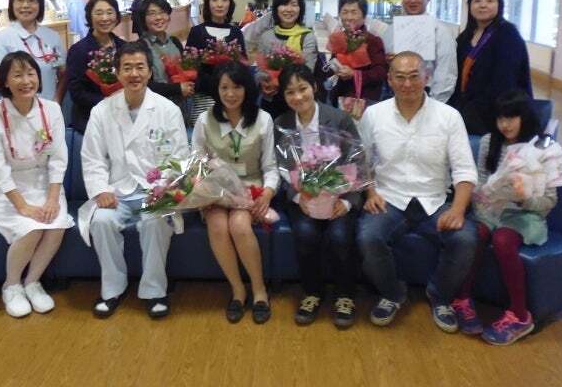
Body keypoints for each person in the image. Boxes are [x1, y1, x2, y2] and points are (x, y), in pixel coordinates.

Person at [357, 51, 478, 332]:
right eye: (399, 77)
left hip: (435, 199)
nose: (407, 84)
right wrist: (370, 193)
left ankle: (440, 296)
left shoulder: (449, 116)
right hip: (389, 198)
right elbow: (362, 162)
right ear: (389, 80)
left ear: (427, 77)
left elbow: (464, 170)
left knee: (466, 239)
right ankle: (392, 293)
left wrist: (458, 209)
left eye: (414, 76)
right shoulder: (373, 115)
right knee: (368, 237)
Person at [81, 41, 189, 319]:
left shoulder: (167, 110)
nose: (134, 74)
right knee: (102, 221)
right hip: (116, 190)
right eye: (127, 68)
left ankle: (155, 291)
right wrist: (101, 190)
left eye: (140, 67)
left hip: (155, 189)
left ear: (150, 72)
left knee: (155, 221)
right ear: (117, 73)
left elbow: (179, 157)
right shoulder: (102, 111)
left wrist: (164, 187)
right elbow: (92, 157)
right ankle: (112, 289)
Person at [0, 51, 74, 318]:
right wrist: (22, 206)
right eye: (17, 75)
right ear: (5, 81)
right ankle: (11, 285)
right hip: (8, 189)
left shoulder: (51, 110)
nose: (26, 81)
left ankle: (32, 282)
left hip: (45, 182)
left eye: (31, 73)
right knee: (31, 228)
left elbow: (58, 157)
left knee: (56, 225)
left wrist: (52, 199)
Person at [452, 90, 548, 345]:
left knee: (503, 239)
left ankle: (520, 315)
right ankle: (462, 299)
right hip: (489, 211)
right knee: (475, 234)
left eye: (511, 117)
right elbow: (479, 182)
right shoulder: (489, 141)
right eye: (500, 118)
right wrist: (486, 202)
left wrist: (523, 198)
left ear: (525, 117)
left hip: (524, 214)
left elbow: (548, 202)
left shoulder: (542, 148)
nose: (505, 125)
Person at [273, 64, 362, 329]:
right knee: (305, 233)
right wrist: (297, 197)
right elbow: (281, 167)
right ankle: (312, 292)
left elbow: (357, 159)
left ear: (314, 87)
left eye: (302, 88)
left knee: (340, 235)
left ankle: (345, 295)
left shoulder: (339, 119)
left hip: (340, 196)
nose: (297, 97)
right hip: (303, 197)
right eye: (290, 92)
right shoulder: (281, 124)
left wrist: (347, 202)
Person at [192, 62, 277, 324]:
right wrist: (198, 187)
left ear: (247, 89)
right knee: (218, 225)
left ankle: (259, 290)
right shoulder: (205, 120)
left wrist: (267, 193)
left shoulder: (263, 119)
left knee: (239, 225)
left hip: (250, 190)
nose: (230, 94)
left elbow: (270, 167)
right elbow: (196, 163)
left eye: (237, 87)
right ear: (216, 90)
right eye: (224, 87)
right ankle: (238, 290)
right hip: (216, 191)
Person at [449, 0, 533, 135]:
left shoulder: (507, 34)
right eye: (477, 1)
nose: (483, 5)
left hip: (498, 113)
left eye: (489, 0)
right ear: (470, 6)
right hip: (467, 108)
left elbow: (505, 82)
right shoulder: (465, 37)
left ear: (499, 5)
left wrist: (471, 111)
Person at [384, 0, 457, 103]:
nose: (413, 0)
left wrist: (434, 104)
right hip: (395, 96)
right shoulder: (391, 30)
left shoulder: (440, 31)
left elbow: (446, 73)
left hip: (428, 95)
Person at [0, 0, 65, 102]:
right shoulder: (2, 37)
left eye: (31, 0)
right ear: (12, 5)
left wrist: (57, 99)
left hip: (49, 106)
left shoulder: (53, 36)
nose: (25, 5)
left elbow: (63, 75)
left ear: (40, 5)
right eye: (20, 0)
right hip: (17, 107)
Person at [186, 0, 247, 124]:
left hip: (231, 97)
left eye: (224, 0)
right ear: (208, 4)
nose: (219, 4)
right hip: (204, 97)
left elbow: (242, 65)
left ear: (230, 4)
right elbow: (188, 66)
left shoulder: (236, 32)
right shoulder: (197, 31)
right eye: (214, 0)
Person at [65, 0, 125, 133]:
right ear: (90, 17)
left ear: (116, 16)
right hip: (91, 120)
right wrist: (108, 101)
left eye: (109, 12)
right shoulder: (79, 50)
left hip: (123, 116)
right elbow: (77, 93)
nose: (105, 18)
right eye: (99, 13)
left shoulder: (124, 47)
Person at [257, 0, 318, 120]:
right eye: (284, 4)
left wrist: (278, 82)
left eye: (294, 5)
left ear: (300, 9)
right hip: (271, 99)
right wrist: (264, 82)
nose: (289, 9)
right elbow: (260, 70)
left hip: (298, 99)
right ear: (276, 9)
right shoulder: (266, 36)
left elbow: (308, 71)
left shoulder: (307, 37)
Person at [136, 0, 196, 103]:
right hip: (156, 105)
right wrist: (177, 89)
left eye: (162, 12)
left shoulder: (175, 41)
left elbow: (185, 71)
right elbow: (143, 83)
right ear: (143, 19)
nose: (159, 17)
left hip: (182, 103)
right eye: (152, 13)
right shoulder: (140, 46)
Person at [330, 0, 388, 104]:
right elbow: (333, 63)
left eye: (354, 12)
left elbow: (380, 72)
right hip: (339, 97)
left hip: (364, 99)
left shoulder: (373, 41)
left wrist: (354, 74)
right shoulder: (338, 38)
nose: (349, 17)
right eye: (345, 12)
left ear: (364, 16)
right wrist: (335, 68)